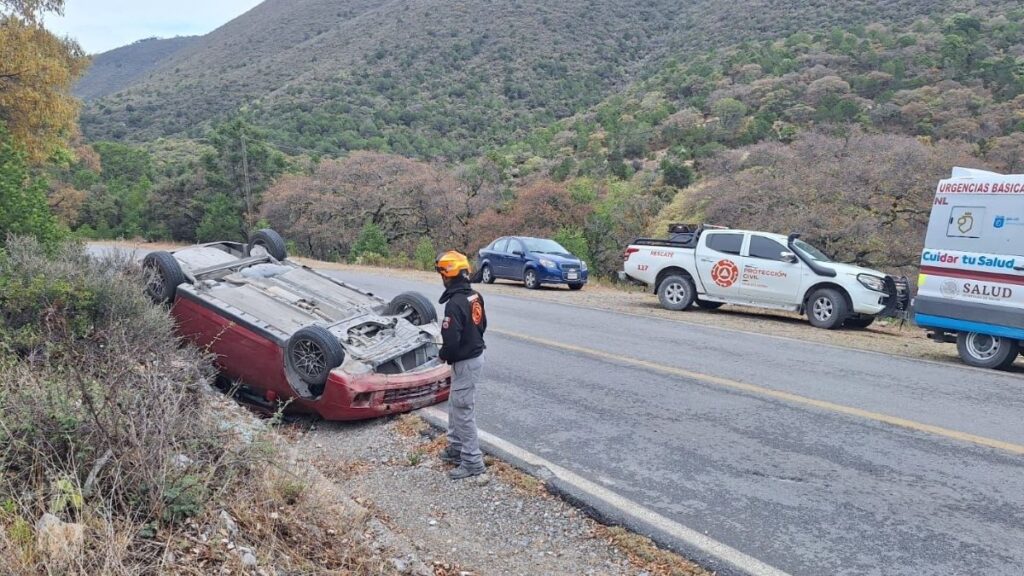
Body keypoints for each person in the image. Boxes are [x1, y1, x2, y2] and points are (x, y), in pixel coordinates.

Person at [434, 250, 487, 480]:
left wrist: (443, 354)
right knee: (456, 404)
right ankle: (455, 448)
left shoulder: (454, 304)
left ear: (448, 275)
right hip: (472, 357)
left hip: (465, 361)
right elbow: (482, 324)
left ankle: (473, 461)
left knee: (463, 410)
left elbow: (451, 341)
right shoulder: (474, 296)